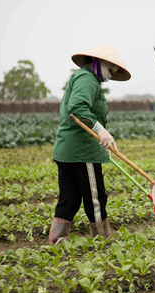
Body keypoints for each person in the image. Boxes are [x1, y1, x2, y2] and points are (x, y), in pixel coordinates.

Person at [48, 44, 131, 245]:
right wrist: (100, 129)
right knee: (95, 197)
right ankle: (103, 238)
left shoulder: (83, 77)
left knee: (70, 197)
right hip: (82, 152)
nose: (111, 75)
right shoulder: (87, 79)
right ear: (98, 62)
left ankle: (58, 241)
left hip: (68, 150)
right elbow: (77, 107)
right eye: (110, 70)